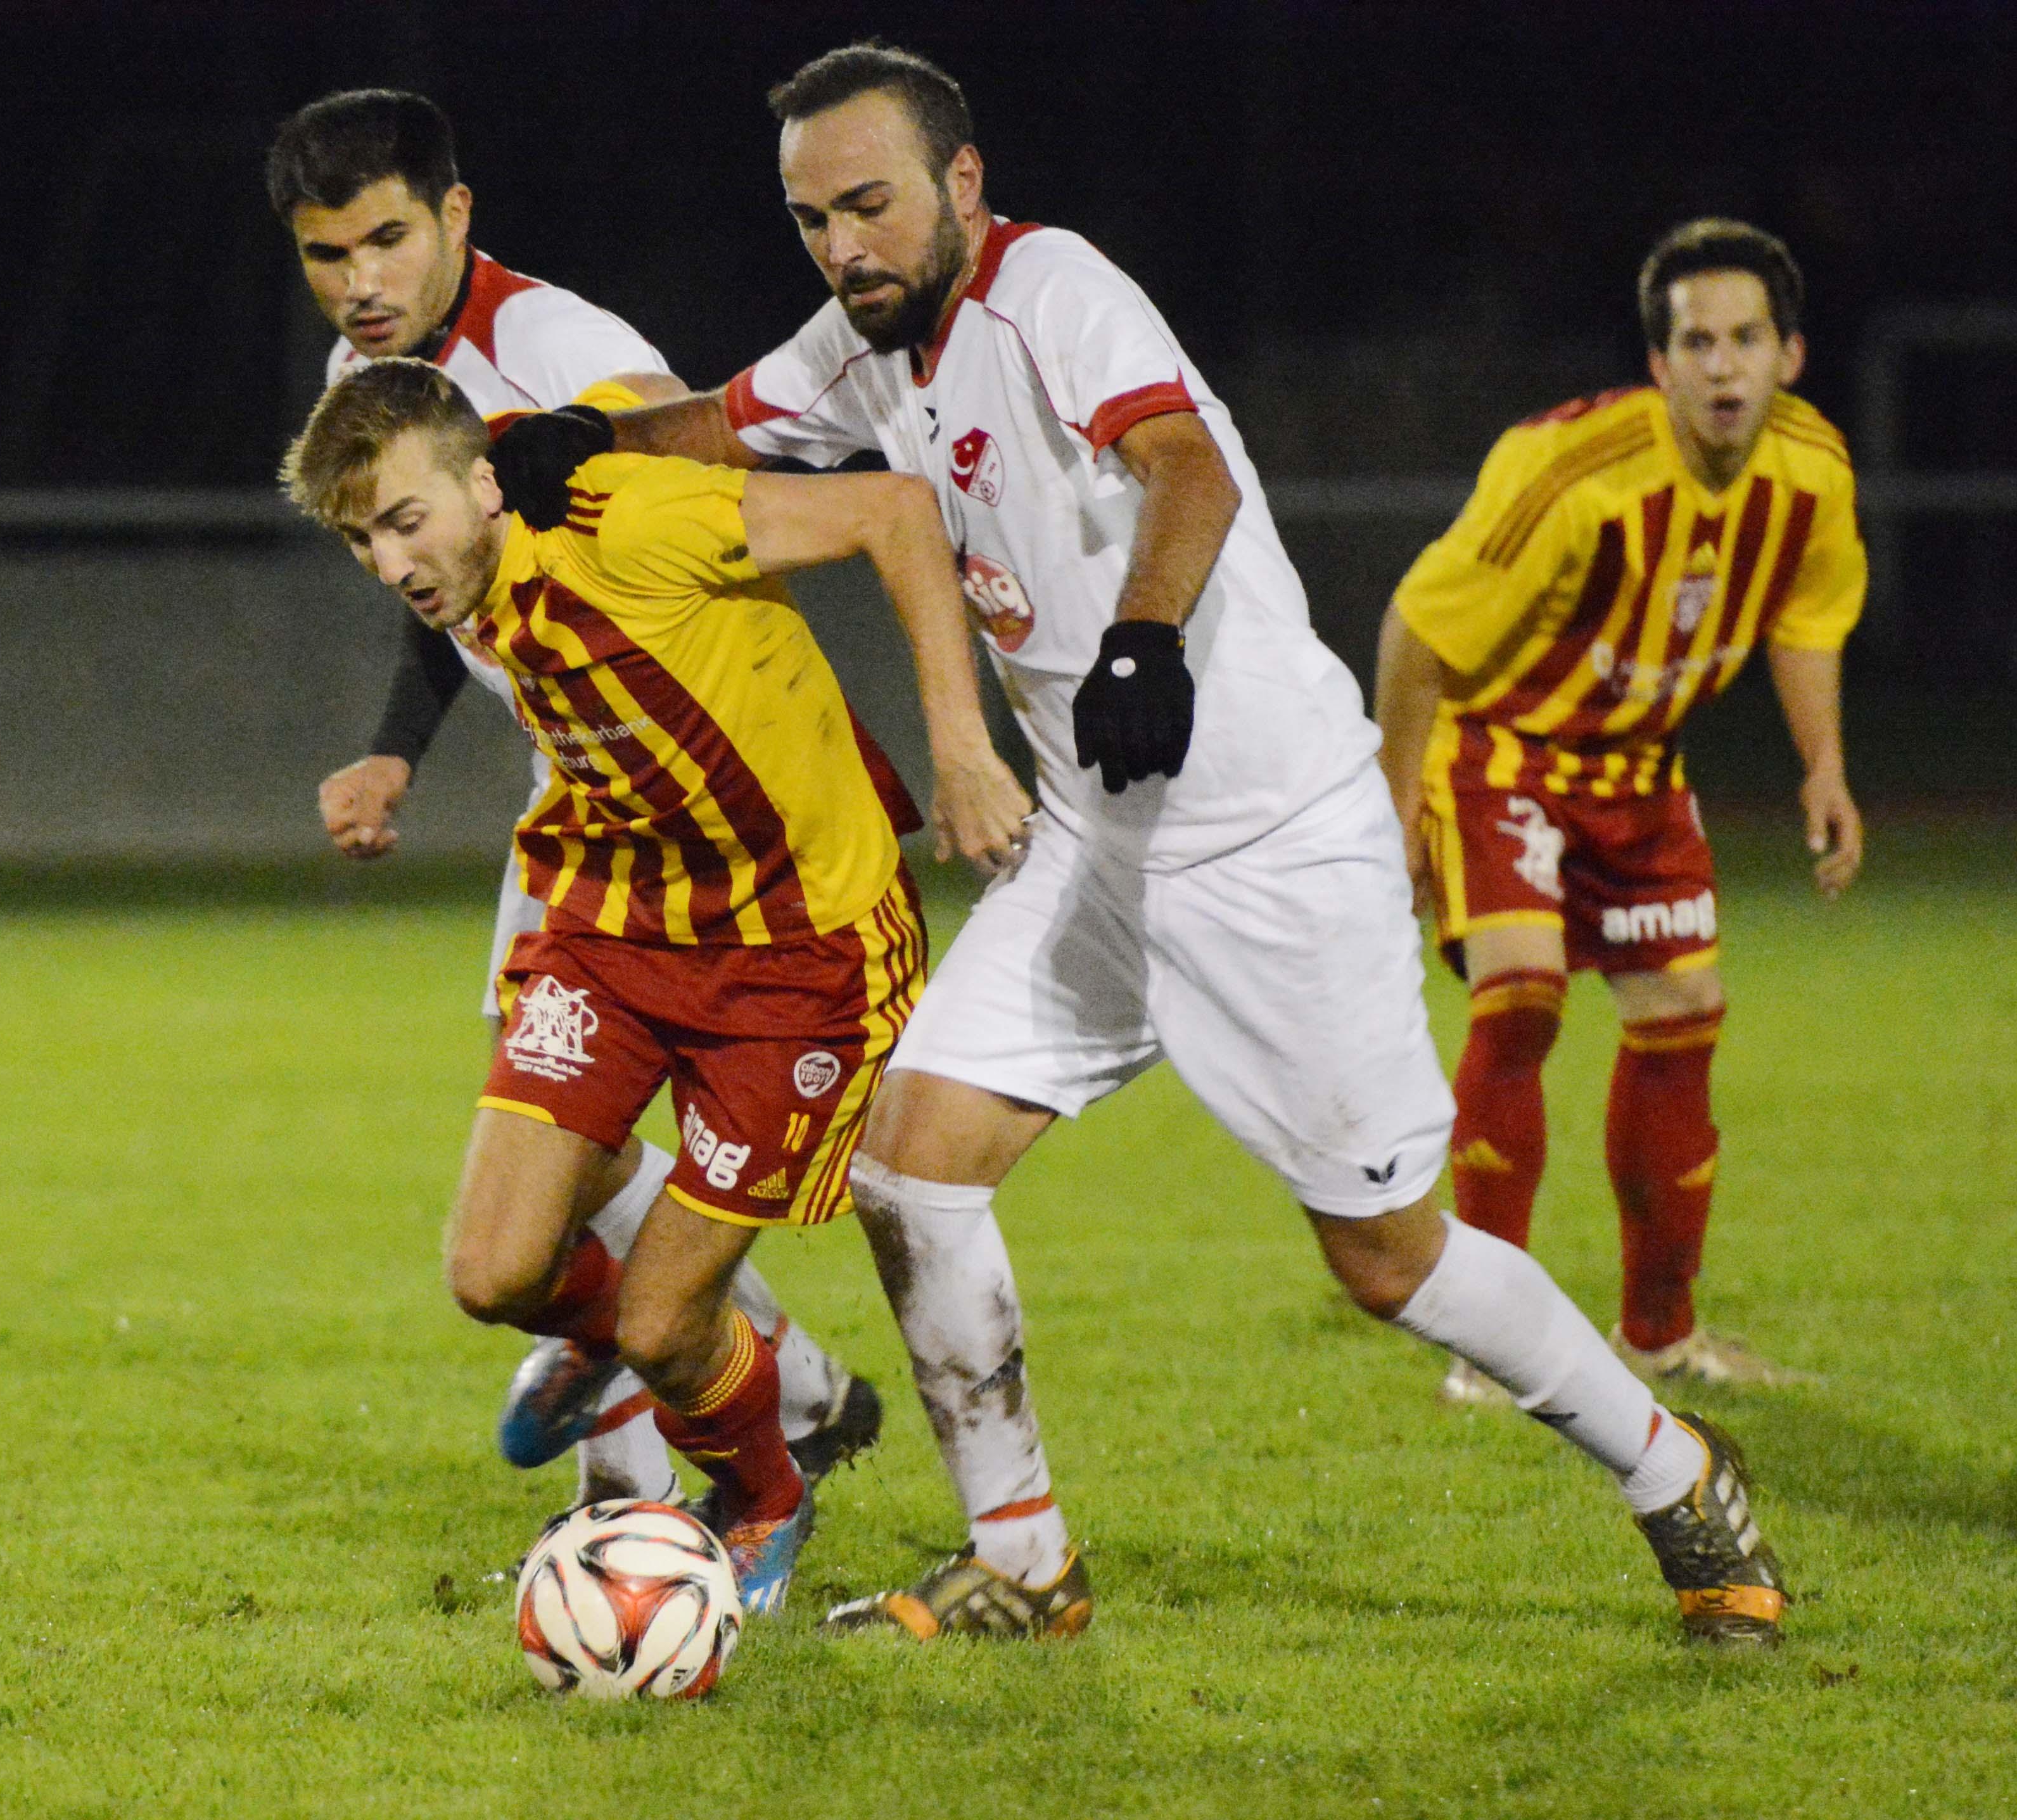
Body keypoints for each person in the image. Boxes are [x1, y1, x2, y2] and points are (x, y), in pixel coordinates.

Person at [491, 44, 1790, 1646]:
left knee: (1388, 1262)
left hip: (1270, 846)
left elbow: (1176, 460)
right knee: (910, 1155)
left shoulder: (1053, 289)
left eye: (870, 206)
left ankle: (1676, 1476)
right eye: (813, 218)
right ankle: (1024, 1563)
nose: (844, 245)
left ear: (960, 186)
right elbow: (727, 419)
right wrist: (582, 446)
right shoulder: (865, 341)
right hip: (1096, 857)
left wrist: (1143, 642)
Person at [282, 356, 1029, 1609]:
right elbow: (601, 400)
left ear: (477, 483)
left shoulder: (620, 520)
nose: (393, 565)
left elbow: (893, 511)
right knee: (492, 1275)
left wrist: (961, 750)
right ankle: (618, 1350)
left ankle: (760, 1496)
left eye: (406, 525)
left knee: (664, 1328)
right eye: (363, 541)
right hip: (616, 920)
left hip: (801, 953)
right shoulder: (478, 530)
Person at [264, 89, 884, 1510]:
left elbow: (694, 486)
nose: (359, 282)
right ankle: (743, 1398)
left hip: (695, 787)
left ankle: (703, 1417)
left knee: (573, 1162)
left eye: (386, 240)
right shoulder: (361, 385)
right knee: (551, 1134)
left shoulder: (557, 347)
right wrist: (395, 749)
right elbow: (444, 577)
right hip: (581, 782)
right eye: (324, 254)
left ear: (456, 217)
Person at [1377, 219, 1863, 1403]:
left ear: (1790, 353)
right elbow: (1417, 635)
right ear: (1659, 365)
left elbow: (1805, 618)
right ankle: (1490, 1349)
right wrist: (1395, 820)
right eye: (1696, 341)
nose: (1723, 365)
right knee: (1523, 994)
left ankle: (1659, 1337)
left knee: (1685, 1009)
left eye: (1747, 337)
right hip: (1505, 754)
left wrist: (1825, 768)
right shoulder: (1573, 475)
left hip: (1639, 773)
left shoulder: (1814, 472)